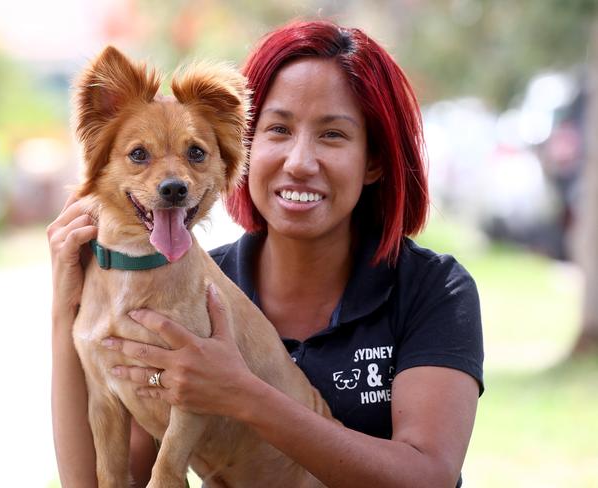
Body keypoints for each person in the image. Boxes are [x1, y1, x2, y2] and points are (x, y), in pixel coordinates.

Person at [49, 19, 483, 488]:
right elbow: (107, 477)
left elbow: (428, 477)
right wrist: (64, 315)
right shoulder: (184, 279)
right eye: (278, 129)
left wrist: (241, 393)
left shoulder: (432, 289)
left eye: (332, 135)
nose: (299, 162)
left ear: (374, 160)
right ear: (247, 146)